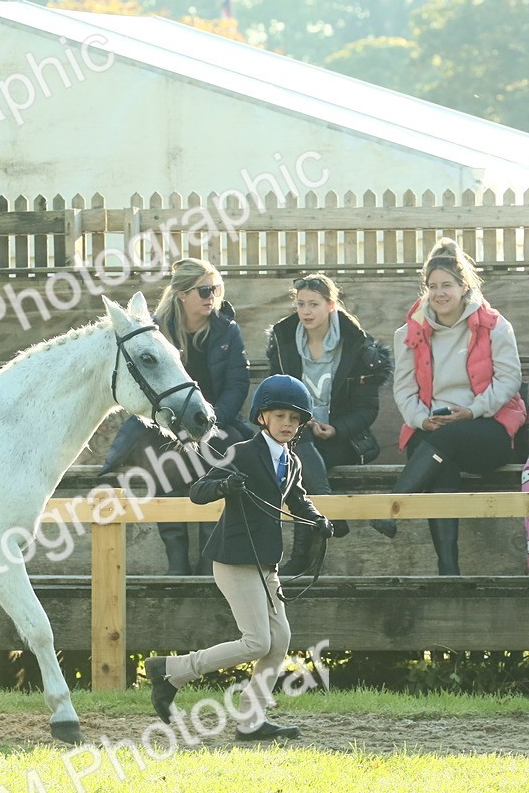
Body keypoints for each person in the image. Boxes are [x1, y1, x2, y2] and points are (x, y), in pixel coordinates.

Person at [144, 375, 336, 741]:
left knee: (279, 641)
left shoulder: (291, 461)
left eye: (294, 419)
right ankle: (172, 670)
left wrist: (317, 520)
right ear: (262, 417)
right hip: (233, 559)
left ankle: (251, 719)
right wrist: (223, 486)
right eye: (280, 416)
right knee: (257, 642)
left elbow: (297, 498)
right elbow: (198, 492)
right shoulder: (244, 452)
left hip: (266, 563)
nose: (287, 424)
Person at [370, 238, 526, 575]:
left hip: (488, 426)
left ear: (463, 286)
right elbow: (405, 390)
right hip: (431, 428)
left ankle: (393, 505)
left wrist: (472, 410)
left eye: (447, 285)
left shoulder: (494, 325)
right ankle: (449, 570)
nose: (440, 293)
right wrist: (421, 420)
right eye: (433, 286)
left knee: (448, 440)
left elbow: (510, 380)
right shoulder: (409, 334)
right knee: (440, 462)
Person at [102, 257, 252, 575]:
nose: (212, 296)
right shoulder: (156, 331)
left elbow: (237, 386)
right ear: (182, 294)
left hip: (215, 423)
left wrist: (210, 424)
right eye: (204, 290)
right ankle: (177, 559)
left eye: (216, 288)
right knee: (161, 466)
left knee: (223, 462)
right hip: (165, 424)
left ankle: (210, 560)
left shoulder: (227, 331)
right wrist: (172, 426)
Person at [265, 273, 393, 574]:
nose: (306, 311)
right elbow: (276, 396)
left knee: (297, 463)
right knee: (297, 445)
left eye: (314, 304)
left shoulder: (357, 345)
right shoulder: (284, 343)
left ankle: (302, 554)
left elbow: (366, 409)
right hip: (296, 435)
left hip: (341, 440)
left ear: (331, 305)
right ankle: (328, 510)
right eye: (301, 304)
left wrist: (336, 428)